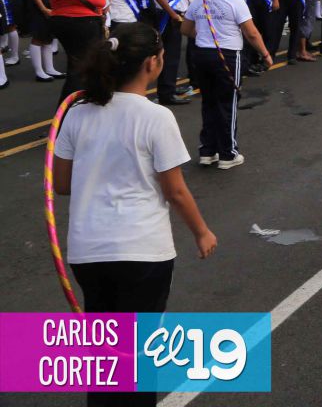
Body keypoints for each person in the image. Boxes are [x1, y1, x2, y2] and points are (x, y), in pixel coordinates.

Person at [52, 23, 216, 407]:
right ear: (152, 63)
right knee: (140, 358)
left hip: (88, 251)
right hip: (141, 251)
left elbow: (61, 184)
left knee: (105, 354)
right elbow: (174, 190)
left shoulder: (76, 114)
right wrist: (202, 232)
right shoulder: (155, 117)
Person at [180, 0, 272, 169]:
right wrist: (265, 53)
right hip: (227, 55)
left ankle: (207, 150)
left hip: (202, 55)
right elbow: (251, 33)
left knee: (209, 102)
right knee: (227, 104)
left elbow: (185, 29)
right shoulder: (235, 2)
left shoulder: (199, 1)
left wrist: (204, 36)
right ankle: (227, 154)